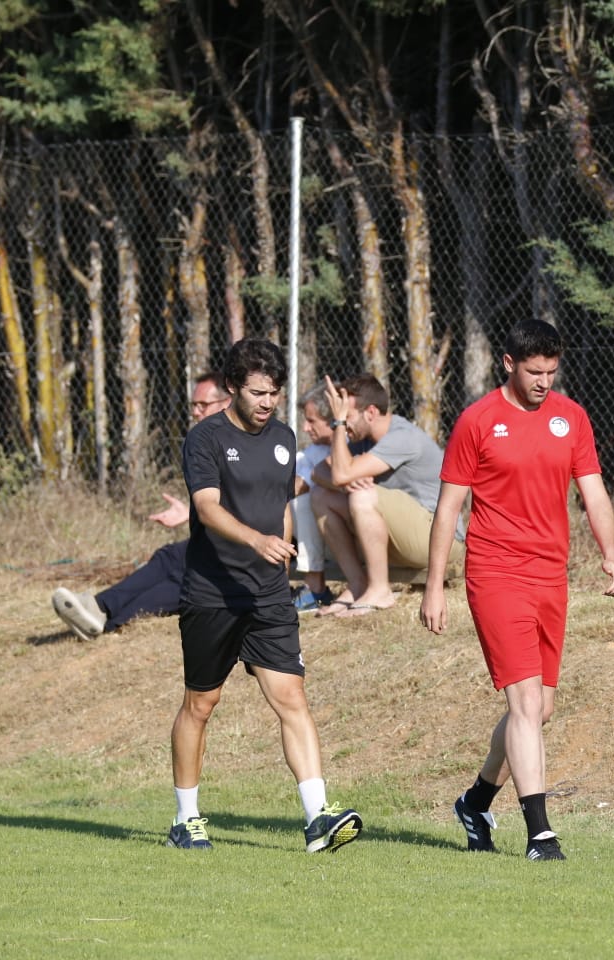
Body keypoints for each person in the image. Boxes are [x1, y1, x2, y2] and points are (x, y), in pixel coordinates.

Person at [420, 320, 614, 862]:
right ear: (507, 363)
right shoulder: (478, 422)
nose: (544, 382)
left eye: (552, 372)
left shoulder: (571, 417)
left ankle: (476, 800)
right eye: (534, 372)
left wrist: (610, 553)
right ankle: (540, 834)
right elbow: (448, 509)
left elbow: (594, 492)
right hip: (495, 572)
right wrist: (435, 586)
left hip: (550, 574)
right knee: (525, 702)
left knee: (540, 709)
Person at [166, 338, 361, 853]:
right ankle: (186, 819)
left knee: (291, 697)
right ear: (233, 387)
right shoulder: (204, 438)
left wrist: (287, 545)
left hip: (269, 596)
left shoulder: (282, 437)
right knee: (201, 704)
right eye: (257, 392)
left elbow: (277, 501)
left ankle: (317, 817)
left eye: (273, 392)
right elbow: (207, 508)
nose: (266, 402)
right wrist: (257, 540)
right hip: (213, 593)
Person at [50, 374, 230, 640]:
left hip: (238, 552)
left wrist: (202, 514)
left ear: (226, 403)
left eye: (202, 404)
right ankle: (98, 608)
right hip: (214, 542)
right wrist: (190, 513)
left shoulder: (241, 444)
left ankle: (108, 621)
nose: (195, 411)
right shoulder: (203, 444)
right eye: (193, 404)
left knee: (186, 579)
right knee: (170, 556)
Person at [311, 373, 462, 617]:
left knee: (363, 496)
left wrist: (338, 424)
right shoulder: (364, 439)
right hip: (405, 538)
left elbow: (339, 474)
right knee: (321, 496)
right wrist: (346, 485)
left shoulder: (401, 436)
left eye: (347, 416)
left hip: (438, 538)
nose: (342, 424)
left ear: (370, 413)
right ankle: (358, 585)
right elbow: (319, 471)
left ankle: (380, 590)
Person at [290, 385, 337, 613]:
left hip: (343, 528)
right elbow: (293, 482)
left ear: (331, 420)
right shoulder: (314, 451)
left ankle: (315, 588)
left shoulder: (349, 445)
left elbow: (301, 486)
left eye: (311, 421)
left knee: (302, 502)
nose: (304, 428)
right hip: (324, 533)